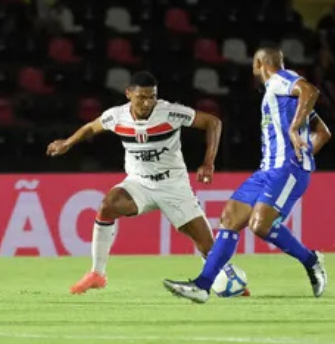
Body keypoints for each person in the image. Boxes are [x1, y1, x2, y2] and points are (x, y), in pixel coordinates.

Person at [163, 48, 331, 304]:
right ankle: (202, 285)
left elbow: (311, 91)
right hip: (267, 170)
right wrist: (305, 147)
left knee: (260, 225)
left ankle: (311, 260)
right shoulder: (286, 100)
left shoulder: (279, 81)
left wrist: (296, 134)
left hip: (286, 170)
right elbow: (324, 132)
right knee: (230, 218)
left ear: (259, 64)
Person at [47, 71, 239, 295]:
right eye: (142, 97)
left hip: (173, 186)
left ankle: (233, 280)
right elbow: (91, 126)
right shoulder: (117, 116)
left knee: (209, 248)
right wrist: (67, 143)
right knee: (108, 206)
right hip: (139, 183)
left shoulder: (170, 112)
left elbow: (213, 122)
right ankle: (97, 274)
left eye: (152, 97)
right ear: (129, 94)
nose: (148, 102)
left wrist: (208, 162)